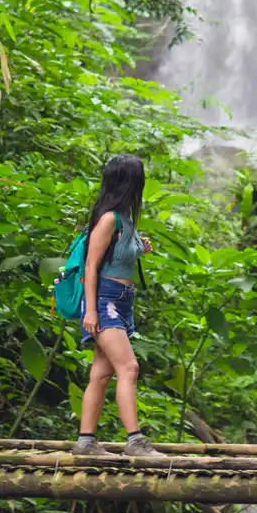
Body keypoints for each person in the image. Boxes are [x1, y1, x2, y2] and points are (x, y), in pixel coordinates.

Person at [72, 154, 164, 457]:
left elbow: (120, 255)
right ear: (130, 183)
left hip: (122, 301)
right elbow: (91, 266)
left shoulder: (125, 219)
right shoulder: (109, 218)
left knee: (101, 372)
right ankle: (135, 441)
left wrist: (141, 247)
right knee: (129, 367)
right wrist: (92, 311)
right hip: (105, 300)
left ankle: (86, 442)